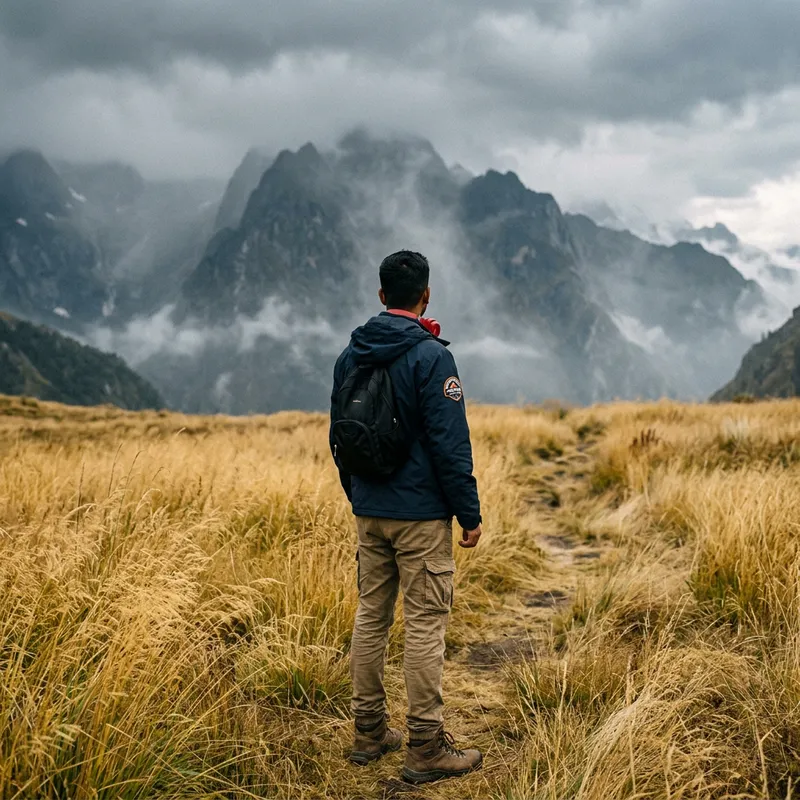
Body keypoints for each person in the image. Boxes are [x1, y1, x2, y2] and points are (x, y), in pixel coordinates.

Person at [329, 250, 483, 785]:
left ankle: (368, 733)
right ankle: (425, 747)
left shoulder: (351, 354)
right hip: (419, 517)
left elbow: (338, 436)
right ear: (426, 295)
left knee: (371, 615)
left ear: (380, 296)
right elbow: (450, 444)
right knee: (423, 624)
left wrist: (358, 494)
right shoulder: (431, 358)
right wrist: (469, 512)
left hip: (369, 511)